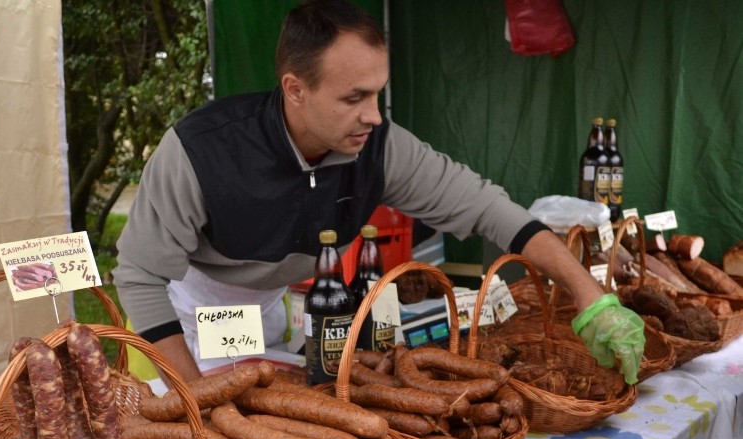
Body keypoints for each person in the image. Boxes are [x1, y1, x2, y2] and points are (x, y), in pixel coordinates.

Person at [113, 0, 644, 384]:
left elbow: (491, 210)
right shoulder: (199, 150)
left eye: (378, 93)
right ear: (295, 88)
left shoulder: (380, 146)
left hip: (271, 311)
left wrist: (586, 293)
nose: (373, 115)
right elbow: (139, 274)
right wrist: (191, 392)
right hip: (190, 311)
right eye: (354, 97)